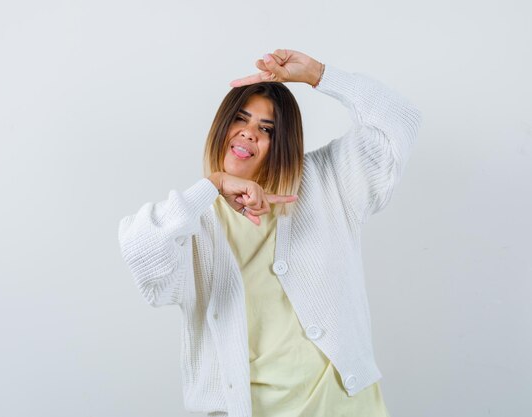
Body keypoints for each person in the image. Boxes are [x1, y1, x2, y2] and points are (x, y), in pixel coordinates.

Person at [118, 48, 422, 417]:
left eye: (267, 129)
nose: (249, 133)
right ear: (222, 126)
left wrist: (318, 74)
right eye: (240, 119)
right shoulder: (194, 221)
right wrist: (212, 185)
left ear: (283, 142)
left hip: (346, 404)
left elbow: (400, 121)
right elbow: (141, 251)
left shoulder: (329, 180)